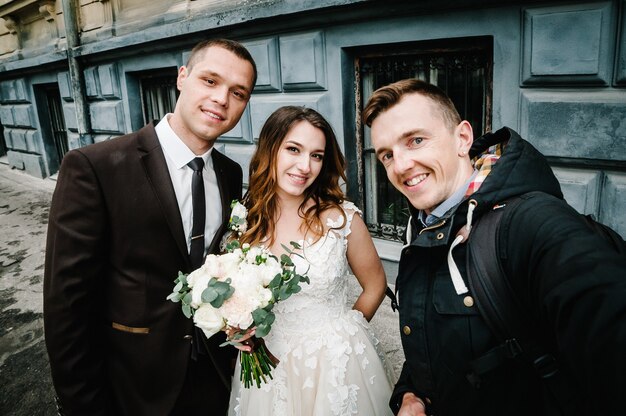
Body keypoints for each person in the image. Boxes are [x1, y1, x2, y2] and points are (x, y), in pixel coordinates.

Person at [362, 78, 626, 415]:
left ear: (463, 138)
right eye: (386, 155)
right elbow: (433, 338)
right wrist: (411, 394)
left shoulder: (531, 223)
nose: (399, 166)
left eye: (415, 140)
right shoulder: (424, 226)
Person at [43, 39, 257, 416]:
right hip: (132, 385)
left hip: (213, 375)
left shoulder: (230, 173)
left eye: (237, 92)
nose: (222, 99)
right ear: (182, 77)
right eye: (210, 81)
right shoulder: (96, 167)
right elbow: (67, 306)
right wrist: (83, 404)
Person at [227, 106, 395, 415]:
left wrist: (346, 335)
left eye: (316, 155)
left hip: (335, 364)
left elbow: (375, 285)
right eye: (293, 149)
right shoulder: (245, 223)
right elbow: (235, 295)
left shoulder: (342, 218)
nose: (305, 166)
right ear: (270, 149)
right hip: (271, 368)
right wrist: (236, 328)